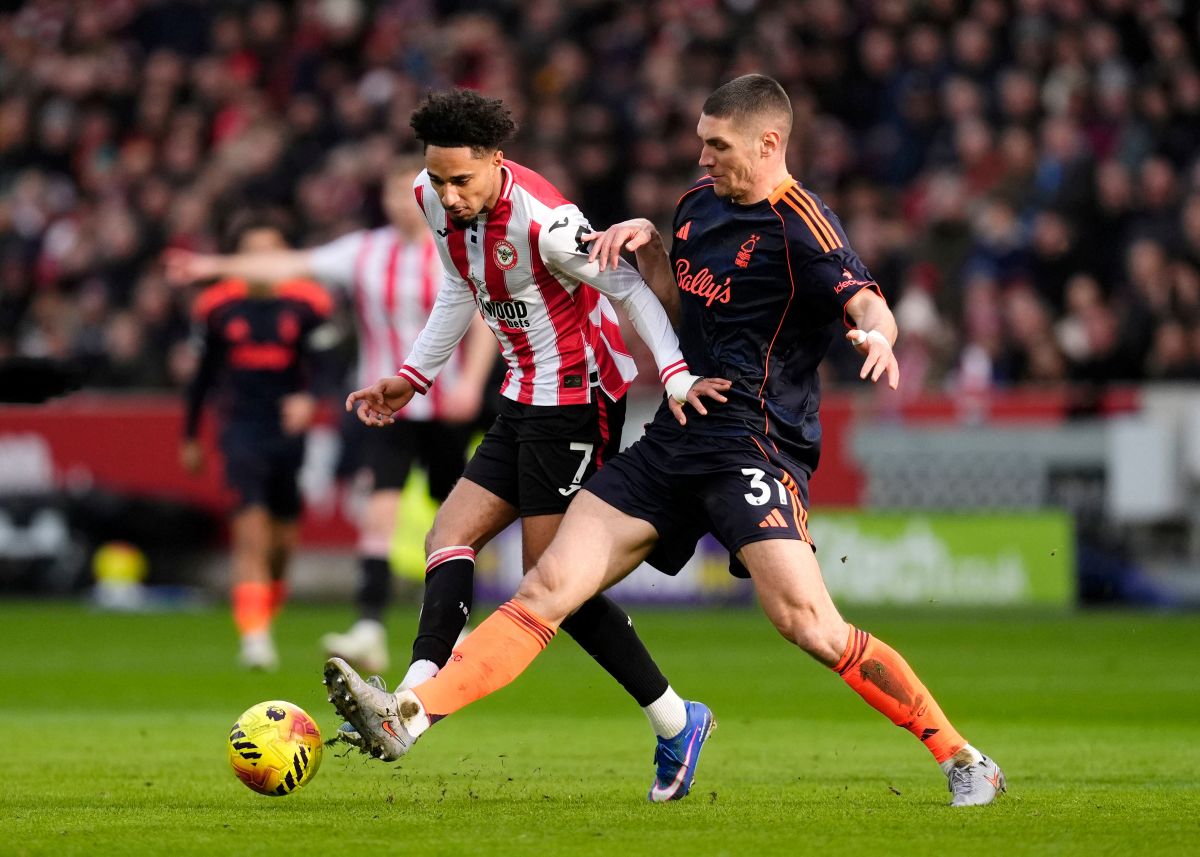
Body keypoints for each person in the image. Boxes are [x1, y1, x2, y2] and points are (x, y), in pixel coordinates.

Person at [328, 75, 1007, 808]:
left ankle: (961, 754)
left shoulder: (801, 222)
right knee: (548, 585)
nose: (702, 157)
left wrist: (879, 331)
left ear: (767, 143)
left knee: (808, 624)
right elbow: (677, 304)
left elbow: (866, 298)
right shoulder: (694, 208)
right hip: (677, 435)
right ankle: (411, 714)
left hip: (755, 443)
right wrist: (650, 252)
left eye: (716, 145)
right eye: (700, 142)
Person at [327, 88, 730, 802]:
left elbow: (631, 290)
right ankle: (409, 704)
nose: (448, 195)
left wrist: (672, 375)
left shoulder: (548, 224)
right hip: (522, 395)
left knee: (553, 591)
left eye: (463, 181)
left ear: (496, 162)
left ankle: (676, 720)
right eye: (440, 179)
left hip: (577, 403)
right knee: (448, 537)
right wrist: (412, 378)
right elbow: (459, 287)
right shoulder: (427, 195)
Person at [167, 157, 497, 674]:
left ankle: (461, 622)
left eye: (408, 192)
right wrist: (212, 268)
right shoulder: (363, 252)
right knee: (378, 511)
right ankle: (368, 625)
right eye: (390, 195)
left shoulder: (455, 247)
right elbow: (287, 263)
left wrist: (473, 384)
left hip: (444, 403)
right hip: (384, 404)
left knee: (454, 519)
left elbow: (480, 316)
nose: (399, 203)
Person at [181, 219, 332, 670]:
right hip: (240, 427)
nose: (261, 262)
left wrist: (309, 399)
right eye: (251, 252)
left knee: (282, 542)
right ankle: (255, 639)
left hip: (287, 432)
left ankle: (264, 612)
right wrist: (189, 435)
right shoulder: (215, 307)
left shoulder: (309, 303)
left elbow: (326, 366)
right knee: (250, 532)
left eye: (271, 251)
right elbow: (202, 376)